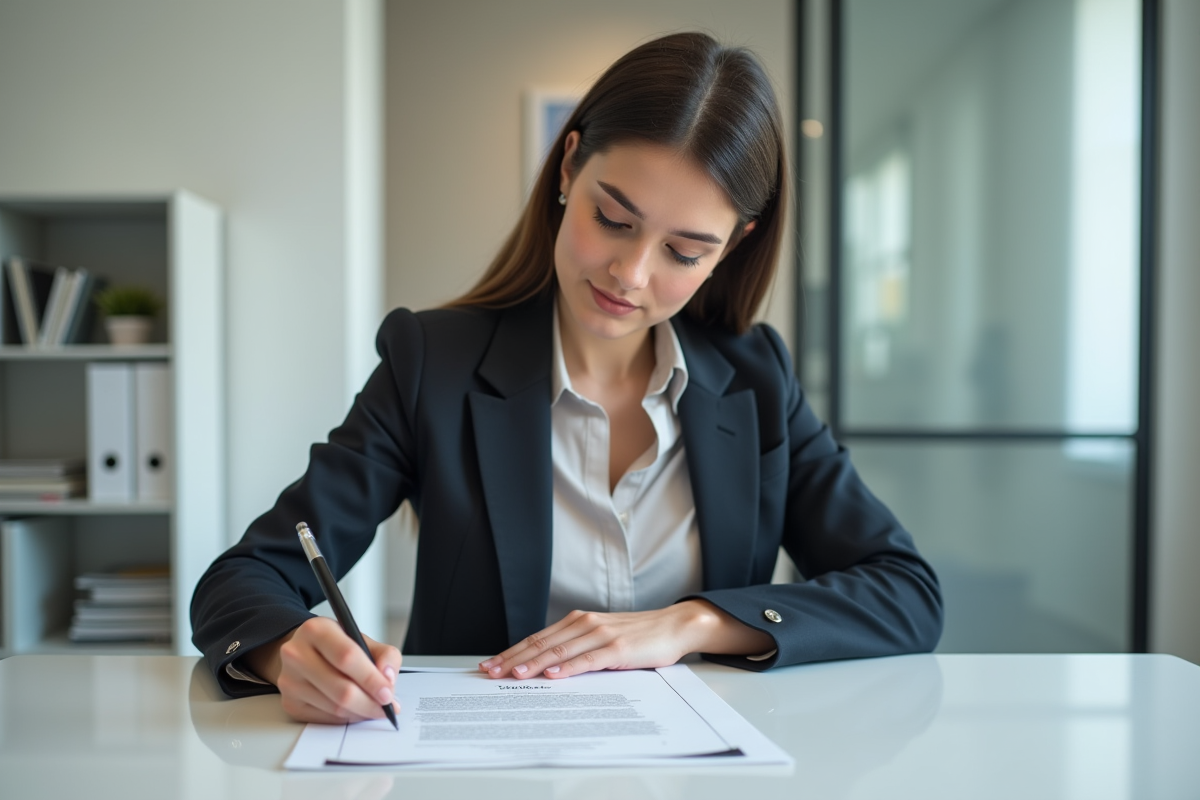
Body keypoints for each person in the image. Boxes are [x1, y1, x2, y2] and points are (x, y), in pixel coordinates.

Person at [191, 31, 943, 725]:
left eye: (684, 252)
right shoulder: (434, 362)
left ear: (733, 248)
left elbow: (905, 591)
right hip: (489, 773)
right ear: (568, 165)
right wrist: (290, 649)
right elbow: (242, 582)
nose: (631, 272)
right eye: (613, 218)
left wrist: (690, 623)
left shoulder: (757, 378)